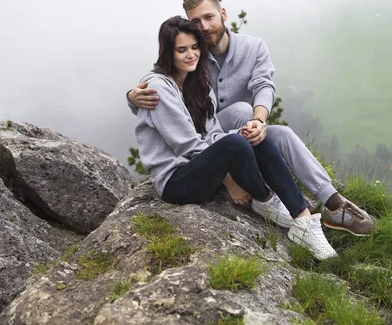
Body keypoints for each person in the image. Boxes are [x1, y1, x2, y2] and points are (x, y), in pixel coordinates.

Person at [128, 0, 375, 237]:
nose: (204, 26)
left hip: (234, 130)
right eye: (195, 21)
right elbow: (164, 89)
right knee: (241, 111)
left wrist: (259, 120)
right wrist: (132, 97)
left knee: (280, 133)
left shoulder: (253, 47)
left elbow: (263, 85)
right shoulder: (191, 55)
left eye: (209, 17)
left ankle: (333, 203)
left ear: (222, 14)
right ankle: (261, 187)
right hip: (205, 139)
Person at [135, 16, 337, 260]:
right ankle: (264, 197)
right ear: (168, 52)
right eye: (182, 50)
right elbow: (186, 145)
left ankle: (303, 222)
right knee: (235, 143)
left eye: (195, 47)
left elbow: (213, 134)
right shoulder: (157, 88)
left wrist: (241, 137)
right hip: (175, 181)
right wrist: (230, 179)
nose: (191, 55)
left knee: (253, 134)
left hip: (200, 168)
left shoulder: (197, 81)